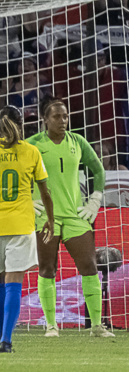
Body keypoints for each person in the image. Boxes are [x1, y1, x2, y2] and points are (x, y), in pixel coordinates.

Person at [27, 95, 114, 337]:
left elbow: (98, 170)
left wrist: (95, 199)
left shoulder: (78, 141)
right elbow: (15, 171)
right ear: (45, 119)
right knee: (47, 268)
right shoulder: (32, 144)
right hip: (46, 217)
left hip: (75, 215)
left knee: (89, 265)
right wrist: (25, 197)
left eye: (65, 116)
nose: (63, 120)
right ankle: (51, 325)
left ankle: (96, 326)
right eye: (57, 116)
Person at [0, 105, 54, 353]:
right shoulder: (31, 152)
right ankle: (6, 340)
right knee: (14, 282)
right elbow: (45, 191)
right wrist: (50, 221)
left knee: (2, 282)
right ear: (20, 125)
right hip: (20, 225)